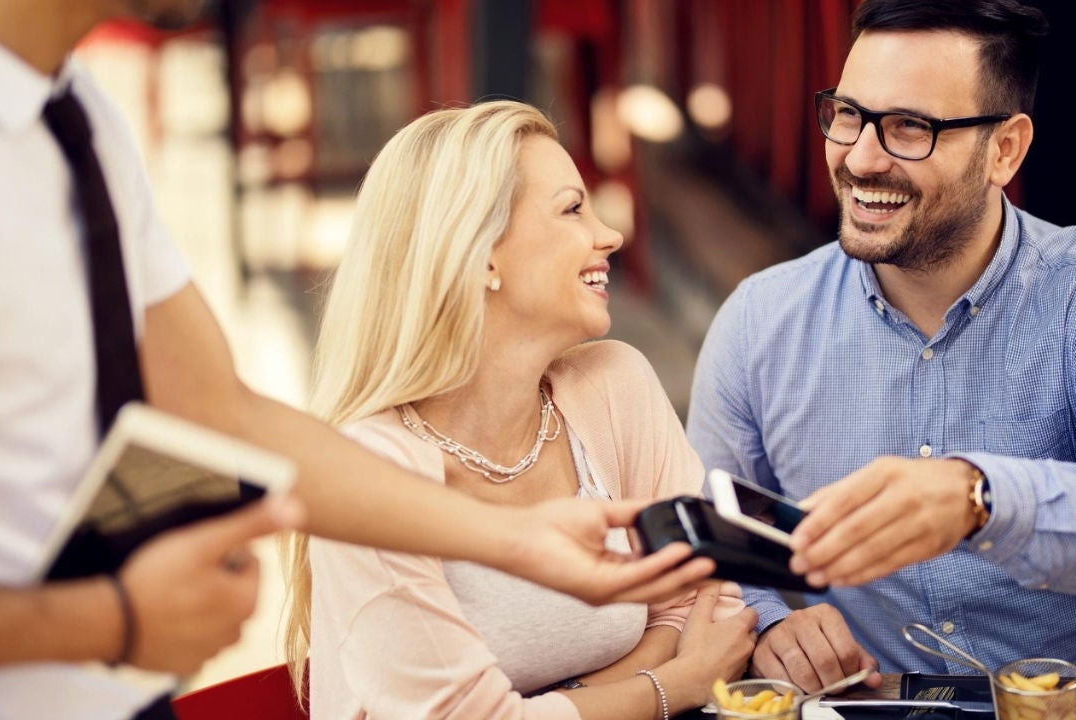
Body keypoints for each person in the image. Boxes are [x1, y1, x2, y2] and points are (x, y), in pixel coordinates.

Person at [0, 1, 714, 718]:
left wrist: (516, 541)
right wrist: (112, 620)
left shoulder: (79, 119)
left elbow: (218, 409)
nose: (605, 234)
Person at [686, 0, 1076, 691]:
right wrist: (770, 624)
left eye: (911, 127)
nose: (862, 158)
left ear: (1005, 150)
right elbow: (707, 540)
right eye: (849, 114)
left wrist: (980, 499)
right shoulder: (760, 320)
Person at [282, 100, 757, 720]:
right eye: (572, 208)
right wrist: (674, 685)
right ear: (481, 256)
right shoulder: (365, 476)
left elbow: (705, 604)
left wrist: (560, 704)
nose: (608, 234)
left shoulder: (615, 386)